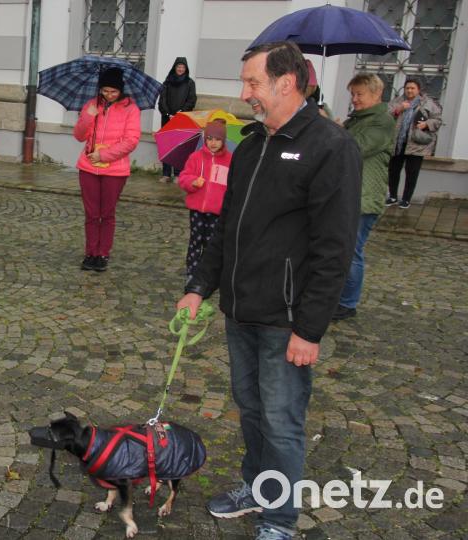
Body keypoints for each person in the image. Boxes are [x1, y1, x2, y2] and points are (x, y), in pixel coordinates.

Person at [176, 42, 361, 540]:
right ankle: (257, 486)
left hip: (286, 321)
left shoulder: (330, 147)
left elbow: (334, 249)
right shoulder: (253, 144)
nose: (245, 94)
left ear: (287, 82)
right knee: (252, 410)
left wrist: (309, 328)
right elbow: (226, 226)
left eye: (253, 83)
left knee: (281, 422)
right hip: (242, 311)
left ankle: (278, 519)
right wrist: (199, 287)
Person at [332, 74, 394, 321]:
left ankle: (348, 303)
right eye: (352, 94)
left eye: (359, 94)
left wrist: (334, 130)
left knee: (352, 251)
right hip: (350, 195)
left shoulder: (382, 121)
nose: (354, 99)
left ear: (376, 94)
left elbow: (356, 147)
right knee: (341, 249)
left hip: (365, 198)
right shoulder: (357, 120)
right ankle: (338, 297)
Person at [73, 67, 141, 272]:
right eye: (105, 90)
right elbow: (79, 135)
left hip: (115, 170)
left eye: (113, 91)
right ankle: (90, 252)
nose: (109, 95)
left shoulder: (131, 109)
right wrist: (88, 117)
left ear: (121, 90)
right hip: (88, 168)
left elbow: (131, 141)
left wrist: (103, 155)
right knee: (92, 213)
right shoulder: (91, 105)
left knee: (107, 213)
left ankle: (103, 253)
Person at [177, 119, 231, 282]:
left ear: (223, 140)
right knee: (196, 241)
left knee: (211, 244)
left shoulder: (230, 160)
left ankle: (208, 274)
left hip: (217, 211)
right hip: (197, 209)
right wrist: (192, 182)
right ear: (205, 139)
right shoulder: (196, 157)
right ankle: (192, 272)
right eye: (210, 139)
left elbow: (233, 184)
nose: (213, 143)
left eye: (217, 139)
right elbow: (183, 177)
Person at [386, 78, 442, 209]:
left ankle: (406, 199)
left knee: (412, 172)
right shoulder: (397, 102)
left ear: (418, 90)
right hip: (397, 143)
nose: (409, 90)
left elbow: (438, 120)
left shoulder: (427, 103)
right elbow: (385, 117)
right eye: (407, 88)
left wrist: (426, 124)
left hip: (416, 144)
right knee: (393, 170)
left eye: (412, 88)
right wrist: (398, 109)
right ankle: (393, 196)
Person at [157, 57, 196, 182]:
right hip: (167, 118)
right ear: (175, 67)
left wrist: (180, 112)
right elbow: (161, 100)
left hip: (182, 119)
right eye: (178, 67)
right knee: (167, 146)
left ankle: (178, 174)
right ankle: (166, 174)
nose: (180, 69)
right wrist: (168, 113)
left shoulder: (190, 83)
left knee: (180, 145)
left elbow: (191, 100)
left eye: (183, 67)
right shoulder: (167, 82)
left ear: (186, 69)